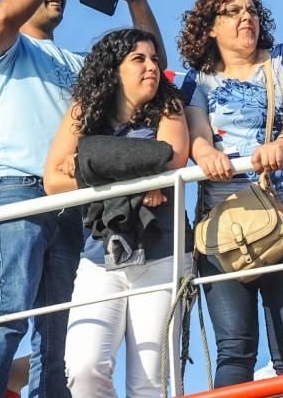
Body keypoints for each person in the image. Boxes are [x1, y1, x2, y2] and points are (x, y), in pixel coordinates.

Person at [0, 0, 165, 398]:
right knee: (10, 308)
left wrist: (136, 0)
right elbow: (1, 18)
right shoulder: (5, 46)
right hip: (15, 189)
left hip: (71, 197)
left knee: (58, 327)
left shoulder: (79, 65)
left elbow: (148, 68)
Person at [179, 0, 283, 385]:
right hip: (224, 223)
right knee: (235, 349)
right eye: (233, 12)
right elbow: (197, 133)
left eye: (252, 10)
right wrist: (205, 155)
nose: (247, 17)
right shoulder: (197, 80)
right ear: (209, 27)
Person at [42, 28, 191, 397]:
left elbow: (172, 156)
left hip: (163, 255)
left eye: (154, 59)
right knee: (84, 367)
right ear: (114, 69)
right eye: (138, 59)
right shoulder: (85, 110)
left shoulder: (168, 104)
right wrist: (140, 174)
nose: (151, 67)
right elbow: (53, 179)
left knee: (149, 382)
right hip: (99, 258)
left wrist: (90, 160)